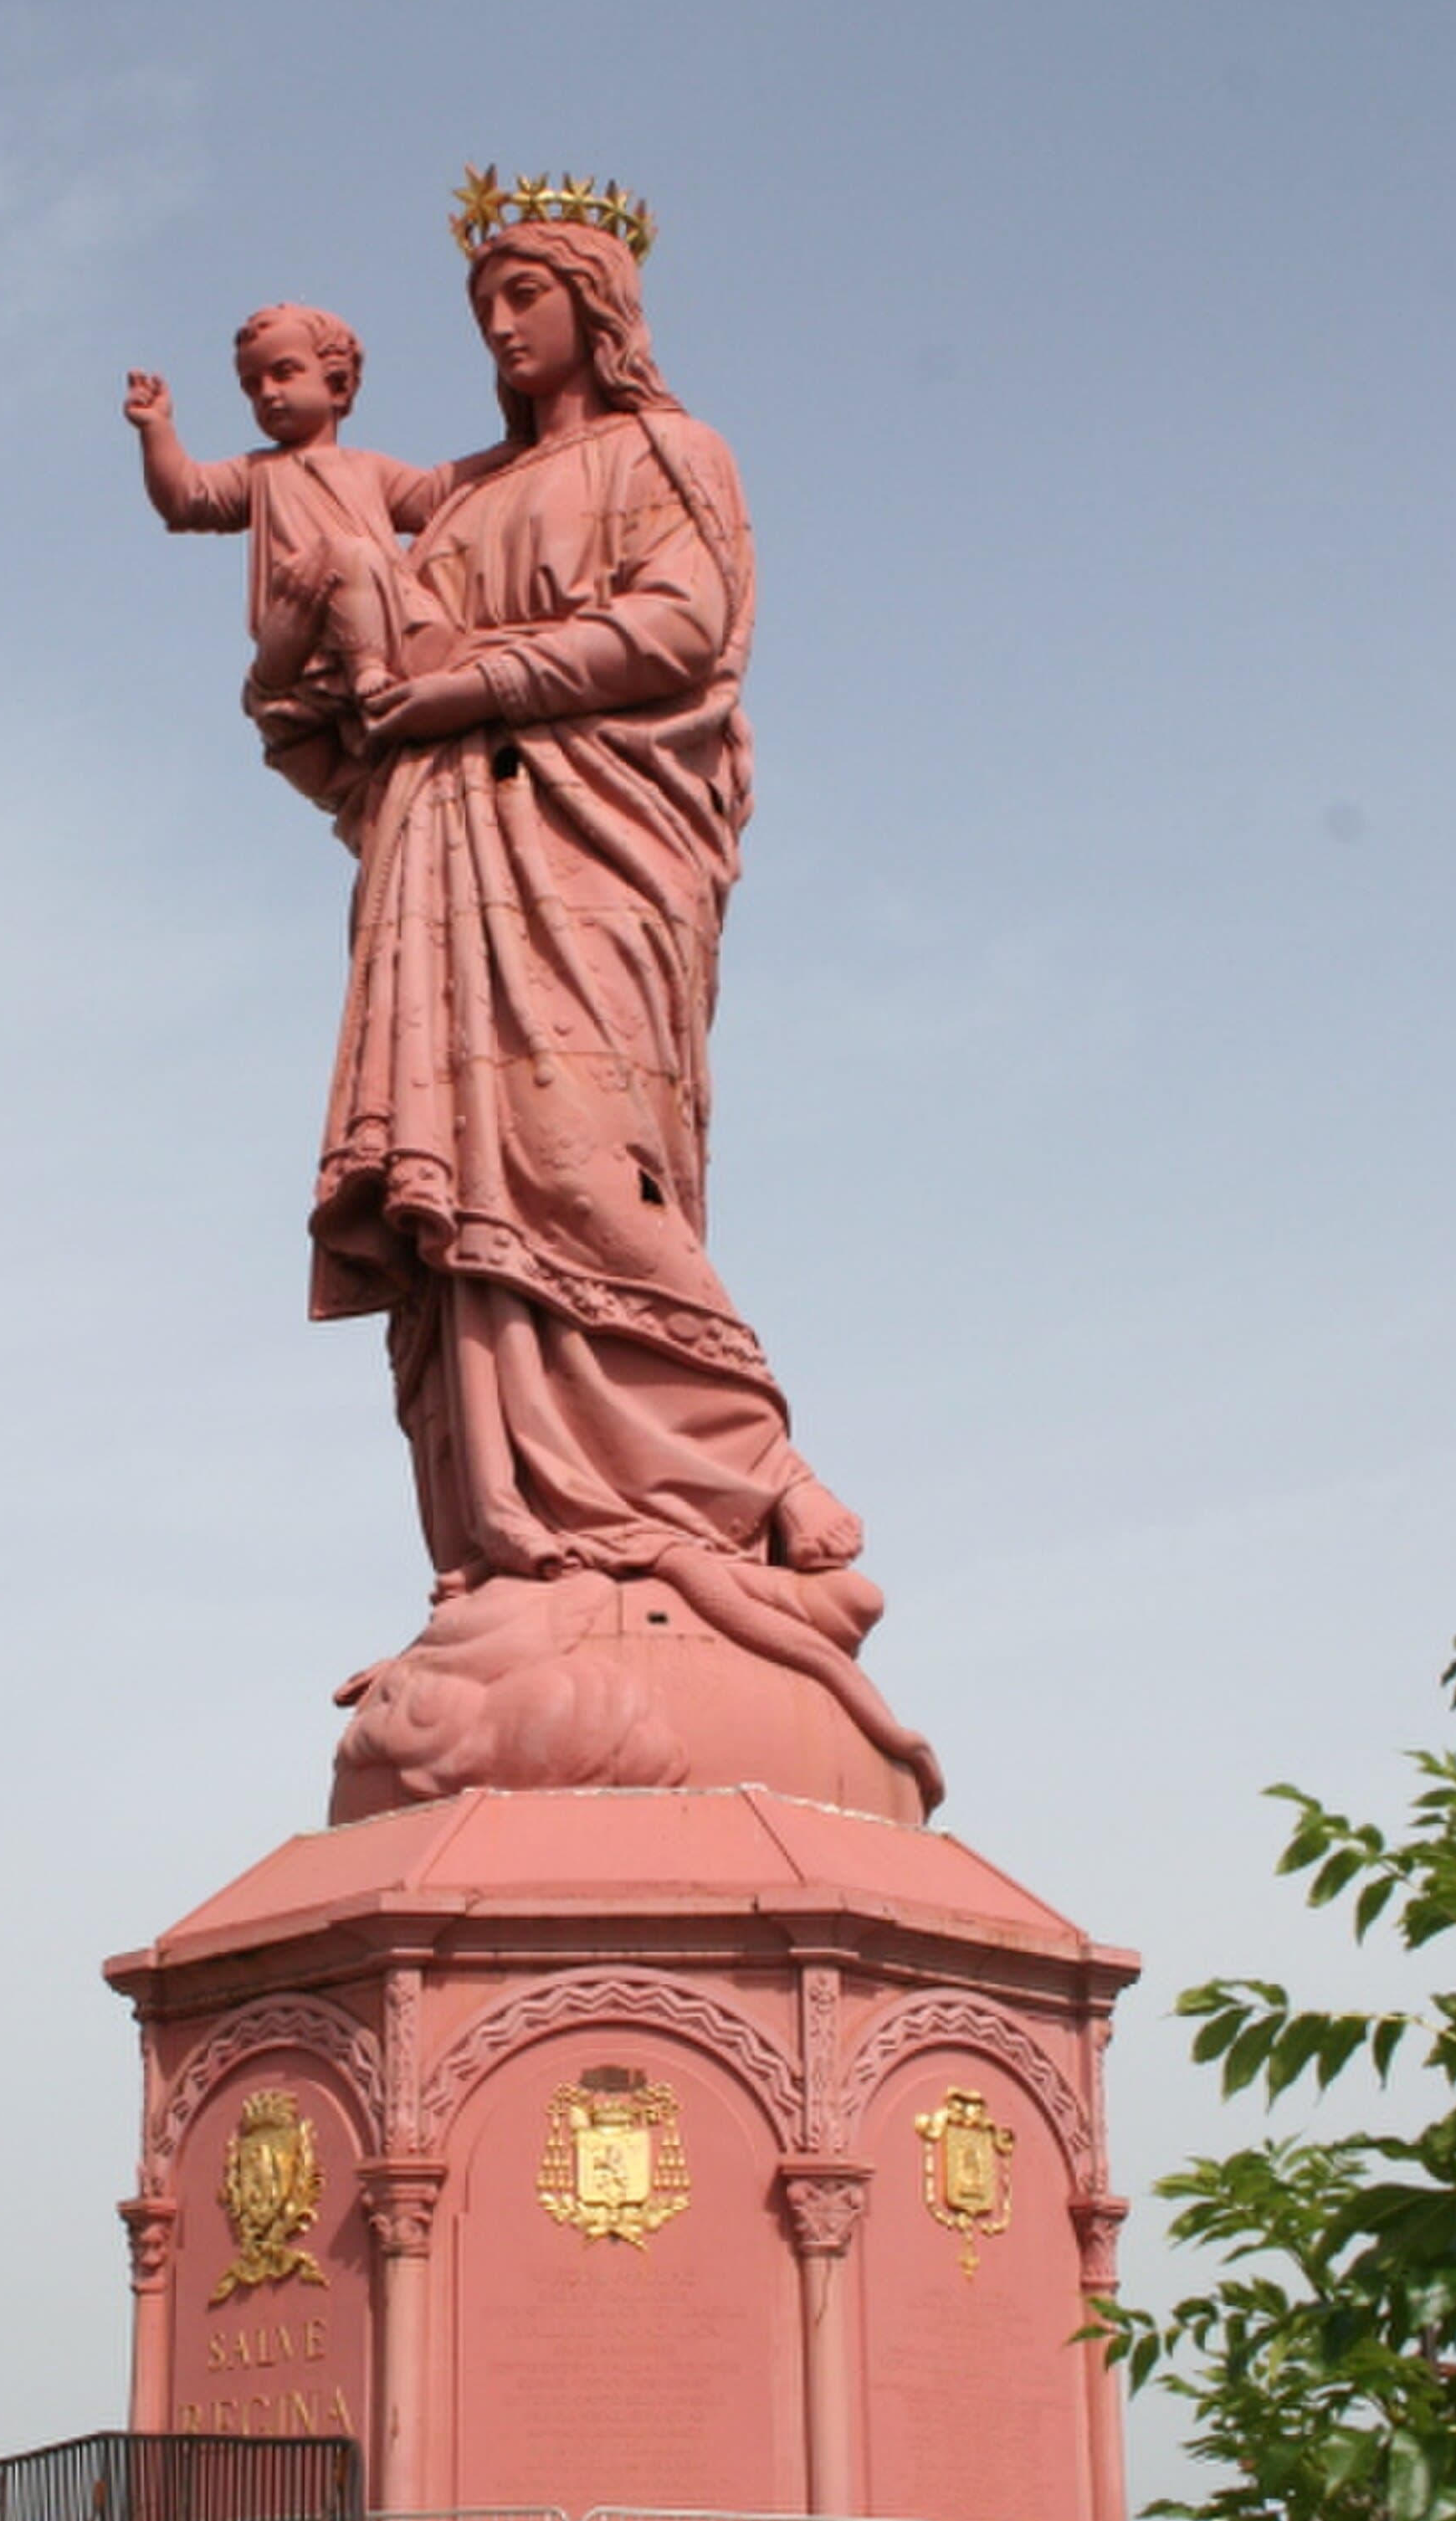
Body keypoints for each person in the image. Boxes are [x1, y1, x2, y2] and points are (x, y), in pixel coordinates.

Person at [260, 203, 931, 1777]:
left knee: (579, 1153)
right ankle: (520, 1543)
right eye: (481, 302)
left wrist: (466, 682)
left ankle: (744, 1473)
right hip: (444, 863)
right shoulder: (465, 494)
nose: (499, 327)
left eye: (525, 295)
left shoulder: (672, 454)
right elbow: (341, 699)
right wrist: (323, 613)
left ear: (597, 304)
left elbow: (681, 628)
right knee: (467, 1210)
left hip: (599, 860)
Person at [125, 302, 483, 737]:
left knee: (364, 563)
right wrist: (155, 429)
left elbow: (436, 495)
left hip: (380, 609)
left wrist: (516, 448)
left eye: (284, 373)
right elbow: (186, 496)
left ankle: (380, 663)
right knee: (345, 554)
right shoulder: (258, 472)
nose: (268, 394)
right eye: (252, 387)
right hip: (304, 627)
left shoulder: (367, 467)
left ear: (336, 383)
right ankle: (362, 668)